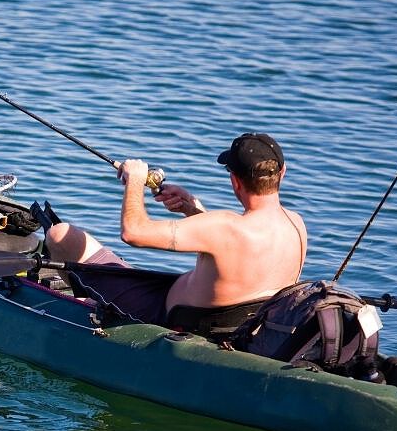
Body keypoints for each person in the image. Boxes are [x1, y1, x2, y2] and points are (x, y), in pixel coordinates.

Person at [44, 132, 307, 330]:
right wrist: (192, 210)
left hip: (166, 314)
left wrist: (134, 180)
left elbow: (134, 233)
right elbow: (239, 253)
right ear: (282, 173)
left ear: (235, 180)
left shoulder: (224, 226)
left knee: (60, 235)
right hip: (238, 325)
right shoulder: (296, 225)